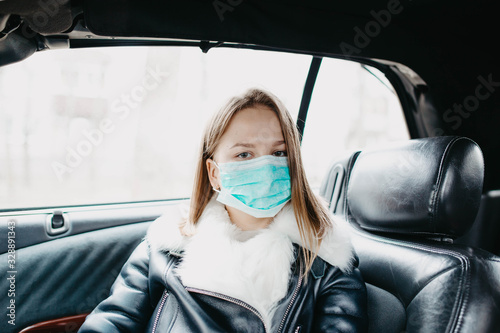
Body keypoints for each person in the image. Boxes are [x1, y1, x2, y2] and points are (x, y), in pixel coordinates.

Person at [78, 88, 368, 332]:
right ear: (214, 173)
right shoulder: (166, 244)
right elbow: (114, 321)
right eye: (244, 154)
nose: (266, 167)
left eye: (279, 153)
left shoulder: (328, 257)